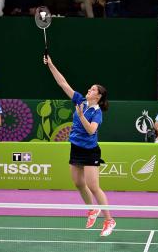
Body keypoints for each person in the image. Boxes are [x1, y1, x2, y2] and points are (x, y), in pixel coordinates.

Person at [43, 55, 116, 237]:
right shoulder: (80, 101)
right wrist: (51, 64)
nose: (88, 90)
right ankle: (92, 210)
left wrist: (81, 115)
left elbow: (92, 131)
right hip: (75, 147)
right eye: (90, 88)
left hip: (90, 151)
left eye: (92, 90)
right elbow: (63, 83)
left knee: (93, 186)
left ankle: (109, 220)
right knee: (77, 183)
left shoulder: (96, 112)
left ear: (98, 96)